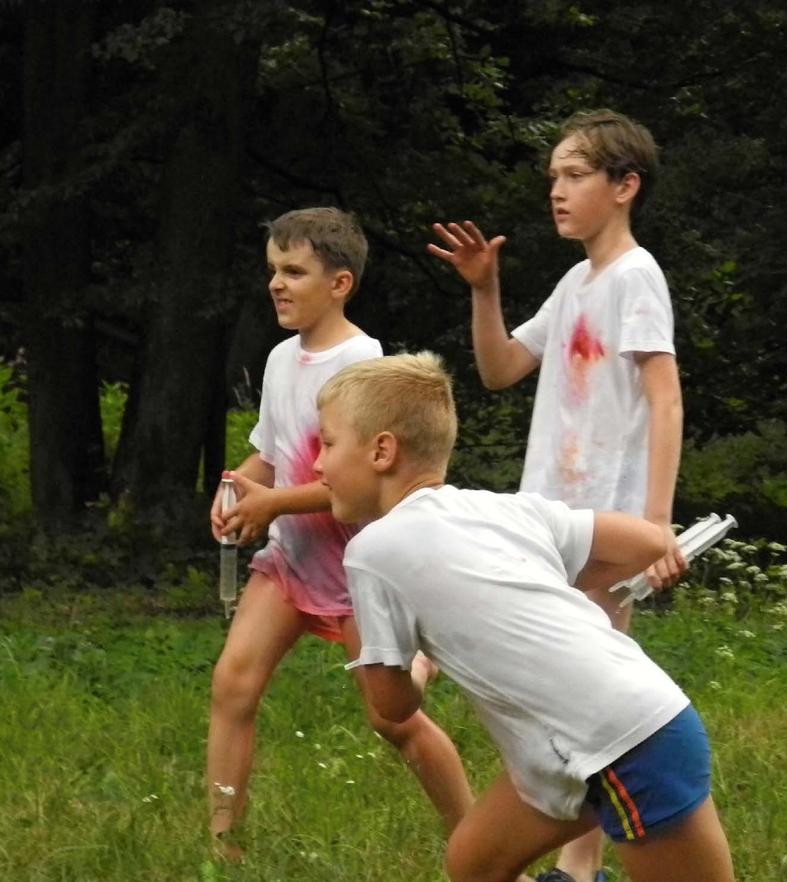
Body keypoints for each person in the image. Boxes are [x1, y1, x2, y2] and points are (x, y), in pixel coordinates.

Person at [312, 351, 734, 882]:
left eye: (327, 443)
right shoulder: (504, 510)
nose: (317, 464)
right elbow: (649, 544)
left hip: (628, 742)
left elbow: (392, 704)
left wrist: (420, 667)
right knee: (474, 865)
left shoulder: (372, 552)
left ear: (382, 451)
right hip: (587, 740)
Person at [428, 109, 686, 882]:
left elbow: (665, 400)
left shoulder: (637, 277)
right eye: (554, 178)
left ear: (624, 186)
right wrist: (486, 289)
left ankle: (582, 870)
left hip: (606, 522)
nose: (558, 191)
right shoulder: (577, 281)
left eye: (575, 175)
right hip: (546, 518)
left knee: (587, 703)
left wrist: (656, 523)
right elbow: (502, 366)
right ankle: (578, 871)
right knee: (567, 699)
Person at [206, 208, 473, 859]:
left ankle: (475, 846)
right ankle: (221, 852)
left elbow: (357, 490)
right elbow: (268, 456)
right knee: (232, 685)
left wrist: (271, 503)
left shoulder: (367, 367)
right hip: (291, 565)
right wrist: (237, 489)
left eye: (294, 271)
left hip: (361, 571)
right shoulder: (277, 359)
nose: (277, 283)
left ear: (340, 283)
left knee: (393, 720)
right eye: (273, 270)